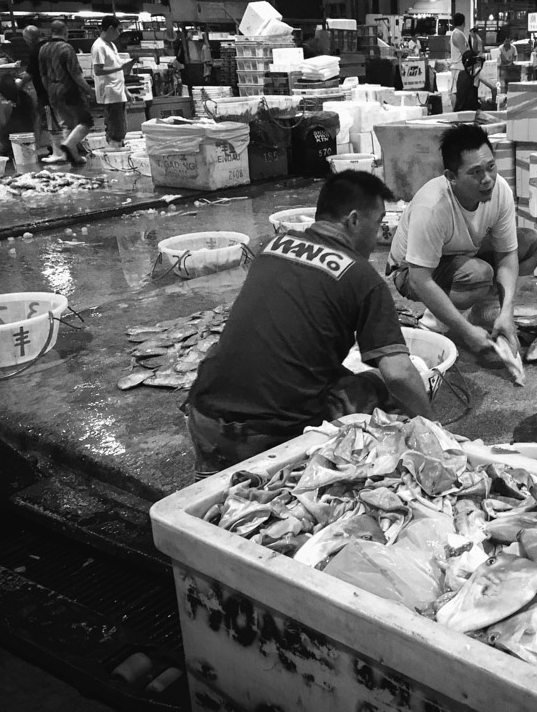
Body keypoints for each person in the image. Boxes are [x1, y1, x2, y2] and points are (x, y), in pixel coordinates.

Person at [185, 171, 433, 480]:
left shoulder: (273, 247)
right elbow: (399, 373)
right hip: (263, 437)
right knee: (381, 390)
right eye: (378, 222)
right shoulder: (361, 277)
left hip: (204, 419)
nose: (380, 233)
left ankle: (213, 474)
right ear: (354, 220)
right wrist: (431, 426)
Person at [387, 124, 537, 356]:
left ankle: (486, 311)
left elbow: (507, 254)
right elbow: (420, 279)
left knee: (533, 244)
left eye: (491, 167)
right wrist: (465, 331)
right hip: (409, 272)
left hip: (463, 252)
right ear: (451, 177)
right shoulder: (432, 207)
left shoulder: (499, 190)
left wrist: (507, 310)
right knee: (478, 276)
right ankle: (433, 323)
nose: (487, 179)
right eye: (475, 172)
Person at [40, 19, 96, 165]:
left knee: (66, 124)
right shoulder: (66, 48)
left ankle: (71, 156)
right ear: (66, 32)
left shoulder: (43, 49)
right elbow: (75, 74)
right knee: (86, 121)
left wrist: (50, 91)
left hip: (52, 90)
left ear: (51, 32)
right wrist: (89, 90)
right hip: (69, 90)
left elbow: (43, 75)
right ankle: (70, 145)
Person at [21, 25, 66, 164]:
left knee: (51, 121)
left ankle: (58, 152)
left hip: (46, 92)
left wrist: (17, 85)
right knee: (62, 120)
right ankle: (64, 150)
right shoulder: (52, 46)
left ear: (29, 38)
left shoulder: (37, 51)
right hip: (61, 88)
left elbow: (30, 73)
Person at [92, 15, 133, 149]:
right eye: (118, 30)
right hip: (110, 93)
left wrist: (126, 90)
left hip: (118, 91)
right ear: (110, 28)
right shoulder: (99, 46)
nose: (119, 33)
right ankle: (114, 151)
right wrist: (120, 67)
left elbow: (118, 71)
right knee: (115, 128)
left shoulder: (111, 45)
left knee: (121, 126)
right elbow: (98, 70)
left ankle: (118, 147)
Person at [449, 13, 469, 105]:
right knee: (455, 91)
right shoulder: (457, 34)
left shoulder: (458, 33)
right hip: (458, 67)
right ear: (464, 22)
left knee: (459, 91)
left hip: (460, 67)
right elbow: (464, 53)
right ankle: (455, 111)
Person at [496, 28, 517, 93]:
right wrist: (499, 65)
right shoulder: (500, 48)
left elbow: (515, 56)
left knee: (511, 84)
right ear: (504, 41)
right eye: (506, 41)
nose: (507, 43)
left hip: (511, 68)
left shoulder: (513, 48)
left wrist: (514, 63)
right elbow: (498, 58)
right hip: (503, 68)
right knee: (503, 85)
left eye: (509, 41)